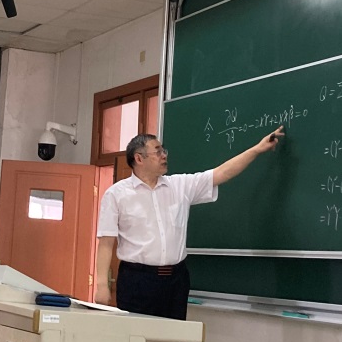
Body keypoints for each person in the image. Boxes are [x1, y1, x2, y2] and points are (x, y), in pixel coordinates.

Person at [95, 128, 285, 321]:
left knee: (175, 336)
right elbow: (106, 243)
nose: (164, 156)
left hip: (176, 279)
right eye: (158, 152)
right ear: (139, 158)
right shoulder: (116, 194)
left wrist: (257, 149)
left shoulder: (180, 185)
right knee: (138, 335)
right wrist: (102, 285)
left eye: (164, 151)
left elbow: (222, 173)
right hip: (137, 280)